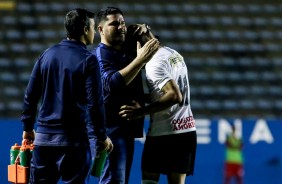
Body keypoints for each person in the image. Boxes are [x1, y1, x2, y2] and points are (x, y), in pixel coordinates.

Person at [20, 8, 113, 184]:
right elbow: (95, 104)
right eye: (93, 27)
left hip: (43, 141)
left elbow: (30, 95)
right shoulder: (88, 59)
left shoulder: (46, 55)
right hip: (74, 143)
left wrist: (27, 127)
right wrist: (102, 136)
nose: (94, 32)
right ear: (86, 30)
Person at [87, 6, 159, 184]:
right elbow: (111, 83)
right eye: (114, 24)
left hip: (125, 129)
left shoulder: (125, 48)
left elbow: (157, 50)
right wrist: (140, 59)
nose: (121, 27)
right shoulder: (100, 55)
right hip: (110, 132)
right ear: (100, 29)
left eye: (123, 23)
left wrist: (146, 30)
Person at [119, 24, 197, 184]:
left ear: (138, 47)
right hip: (186, 131)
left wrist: (139, 112)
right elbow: (164, 93)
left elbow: (175, 95)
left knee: (148, 181)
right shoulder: (172, 53)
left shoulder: (154, 64)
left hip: (165, 133)